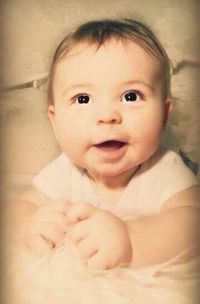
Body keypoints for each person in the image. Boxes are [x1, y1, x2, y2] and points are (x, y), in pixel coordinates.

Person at [13, 19, 200, 270]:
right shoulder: (65, 170)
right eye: (83, 98)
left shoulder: (164, 169)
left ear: (164, 115)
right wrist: (29, 223)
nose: (107, 115)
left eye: (130, 96)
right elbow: (17, 207)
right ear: (55, 123)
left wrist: (132, 240)